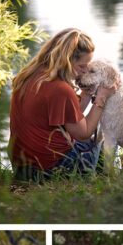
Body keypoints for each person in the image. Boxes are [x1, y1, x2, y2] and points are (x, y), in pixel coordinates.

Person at [9, 27, 116, 180]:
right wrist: (101, 98)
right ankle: (100, 178)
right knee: (99, 134)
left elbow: (67, 118)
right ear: (67, 60)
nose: (85, 71)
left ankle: (98, 175)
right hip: (49, 171)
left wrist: (86, 94)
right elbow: (83, 132)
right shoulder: (60, 89)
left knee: (79, 134)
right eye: (81, 66)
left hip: (23, 168)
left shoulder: (32, 74)